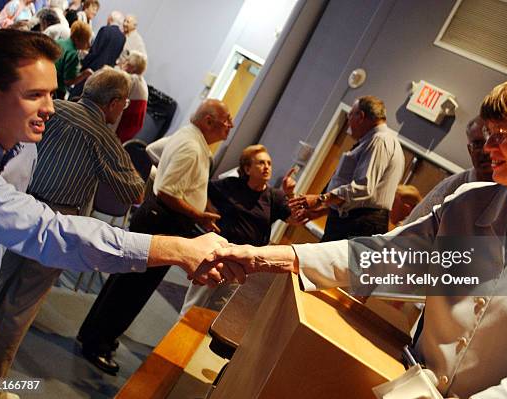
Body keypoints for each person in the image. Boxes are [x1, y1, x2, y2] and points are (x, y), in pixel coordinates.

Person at [211, 72, 507, 398]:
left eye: (501, 136)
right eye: (485, 137)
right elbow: (379, 256)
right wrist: (268, 257)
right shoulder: (470, 202)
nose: (488, 148)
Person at [0, 28, 226, 399]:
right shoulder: (97, 137)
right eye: (34, 95)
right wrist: (177, 249)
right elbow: (58, 228)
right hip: (47, 220)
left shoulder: (22, 146)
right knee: (18, 311)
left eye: (51, 93)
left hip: (34, 216)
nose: (49, 107)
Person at [0, 66, 146, 380]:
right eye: (124, 104)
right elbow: (134, 190)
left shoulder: (52, 110)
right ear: (114, 103)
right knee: (21, 306)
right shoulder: (103, 137)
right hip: (60, 219)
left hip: (16, 202)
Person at [77, 98, 233, 375]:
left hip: (156, 219)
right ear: (208, 122)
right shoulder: (190, 145)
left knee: (123, 284)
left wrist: (200, 205)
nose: (230, 126)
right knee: (131, 291)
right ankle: (97, 344)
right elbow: (167, 192)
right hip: (162, 222)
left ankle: (93, 335)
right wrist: (198, 215)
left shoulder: (188, 138)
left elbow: (152, 151)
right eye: (227, 121)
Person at [180, 144, 299, 314]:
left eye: (269, 163)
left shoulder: (275, 197)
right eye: (261, 163)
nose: (266, 167)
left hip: (244, 264)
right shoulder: (231, 185)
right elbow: (201, 188)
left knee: (218, 312)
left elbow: (294, 220)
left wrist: (290, 194)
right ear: (247, 168)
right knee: (194, 305)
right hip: (217, 255)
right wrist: (207, 212)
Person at [290, 95, 404, 241]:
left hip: (360, 224)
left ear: (361, 116)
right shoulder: (376, 141)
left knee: (329, 263)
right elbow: (361, 196)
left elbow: (363, 187)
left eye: (350, 115)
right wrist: (322, 211)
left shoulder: (379, 140)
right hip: (356, 221)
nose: (348, 121)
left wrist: (321, 199)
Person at [405, 116, 493, 222]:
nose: (485, 151)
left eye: (490, 142)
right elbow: (412, 224)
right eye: (478, 144)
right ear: (470, 150)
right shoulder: (451, 187)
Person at [69, 10, 124, 97]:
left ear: (110, 19)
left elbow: (94, 51)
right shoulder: (122, 37)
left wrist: (83, 64)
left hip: (92, 70)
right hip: (106, 73)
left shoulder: (105, 30)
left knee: (76, 96)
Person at [53, 20, 92, 99]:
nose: (89, 44)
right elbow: (68, 81)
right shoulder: (73, 54)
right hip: (57, 90)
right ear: (77, 39)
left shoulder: (59, 42)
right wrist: (84, 74)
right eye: (86, 41)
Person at [115, 50, 148, 142]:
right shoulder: (141, 81)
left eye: (127, 62)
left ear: (133, 67)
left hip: (125, 122)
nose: (124, 63)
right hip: (132, 125)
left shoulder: (131, 79)